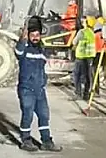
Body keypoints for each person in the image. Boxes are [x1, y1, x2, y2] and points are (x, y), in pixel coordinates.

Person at [15, 16, 62, 152]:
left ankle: (46, 142)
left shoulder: (41, 50)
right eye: (32, 35)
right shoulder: (24, 49)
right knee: (28, 115)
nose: (35, 37)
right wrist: (24, 34)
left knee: (44, 115)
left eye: (37, 35)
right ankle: (26, 141)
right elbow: (18, 50)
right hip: (27, 90)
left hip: (40, 90)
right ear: (28, 36)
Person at [72, 16, 97, 100]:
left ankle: (78, 94)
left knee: (77, 76)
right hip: (89, 57)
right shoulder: (92, 33)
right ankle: (86, 94)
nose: (82, 23)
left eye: (83, 21)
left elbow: (74, 42)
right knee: (87, 76)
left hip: (81, 57)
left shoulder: (81, 32)